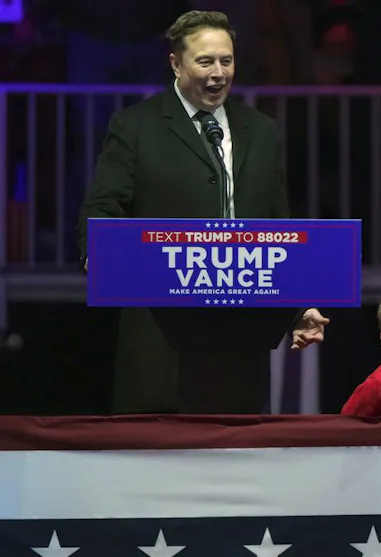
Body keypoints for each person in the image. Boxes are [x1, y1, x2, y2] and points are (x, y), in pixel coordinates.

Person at [76, 10, 329, 415]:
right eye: (205, 61)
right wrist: (101, 254)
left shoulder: (261, 130)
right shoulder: (136, 126)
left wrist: (297, 306)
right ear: (175, 63)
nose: (218, 73)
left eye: (226, 61)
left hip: (240, 337)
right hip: (162, 332)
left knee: (236, 457)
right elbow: (104, 205)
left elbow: (276, 226)